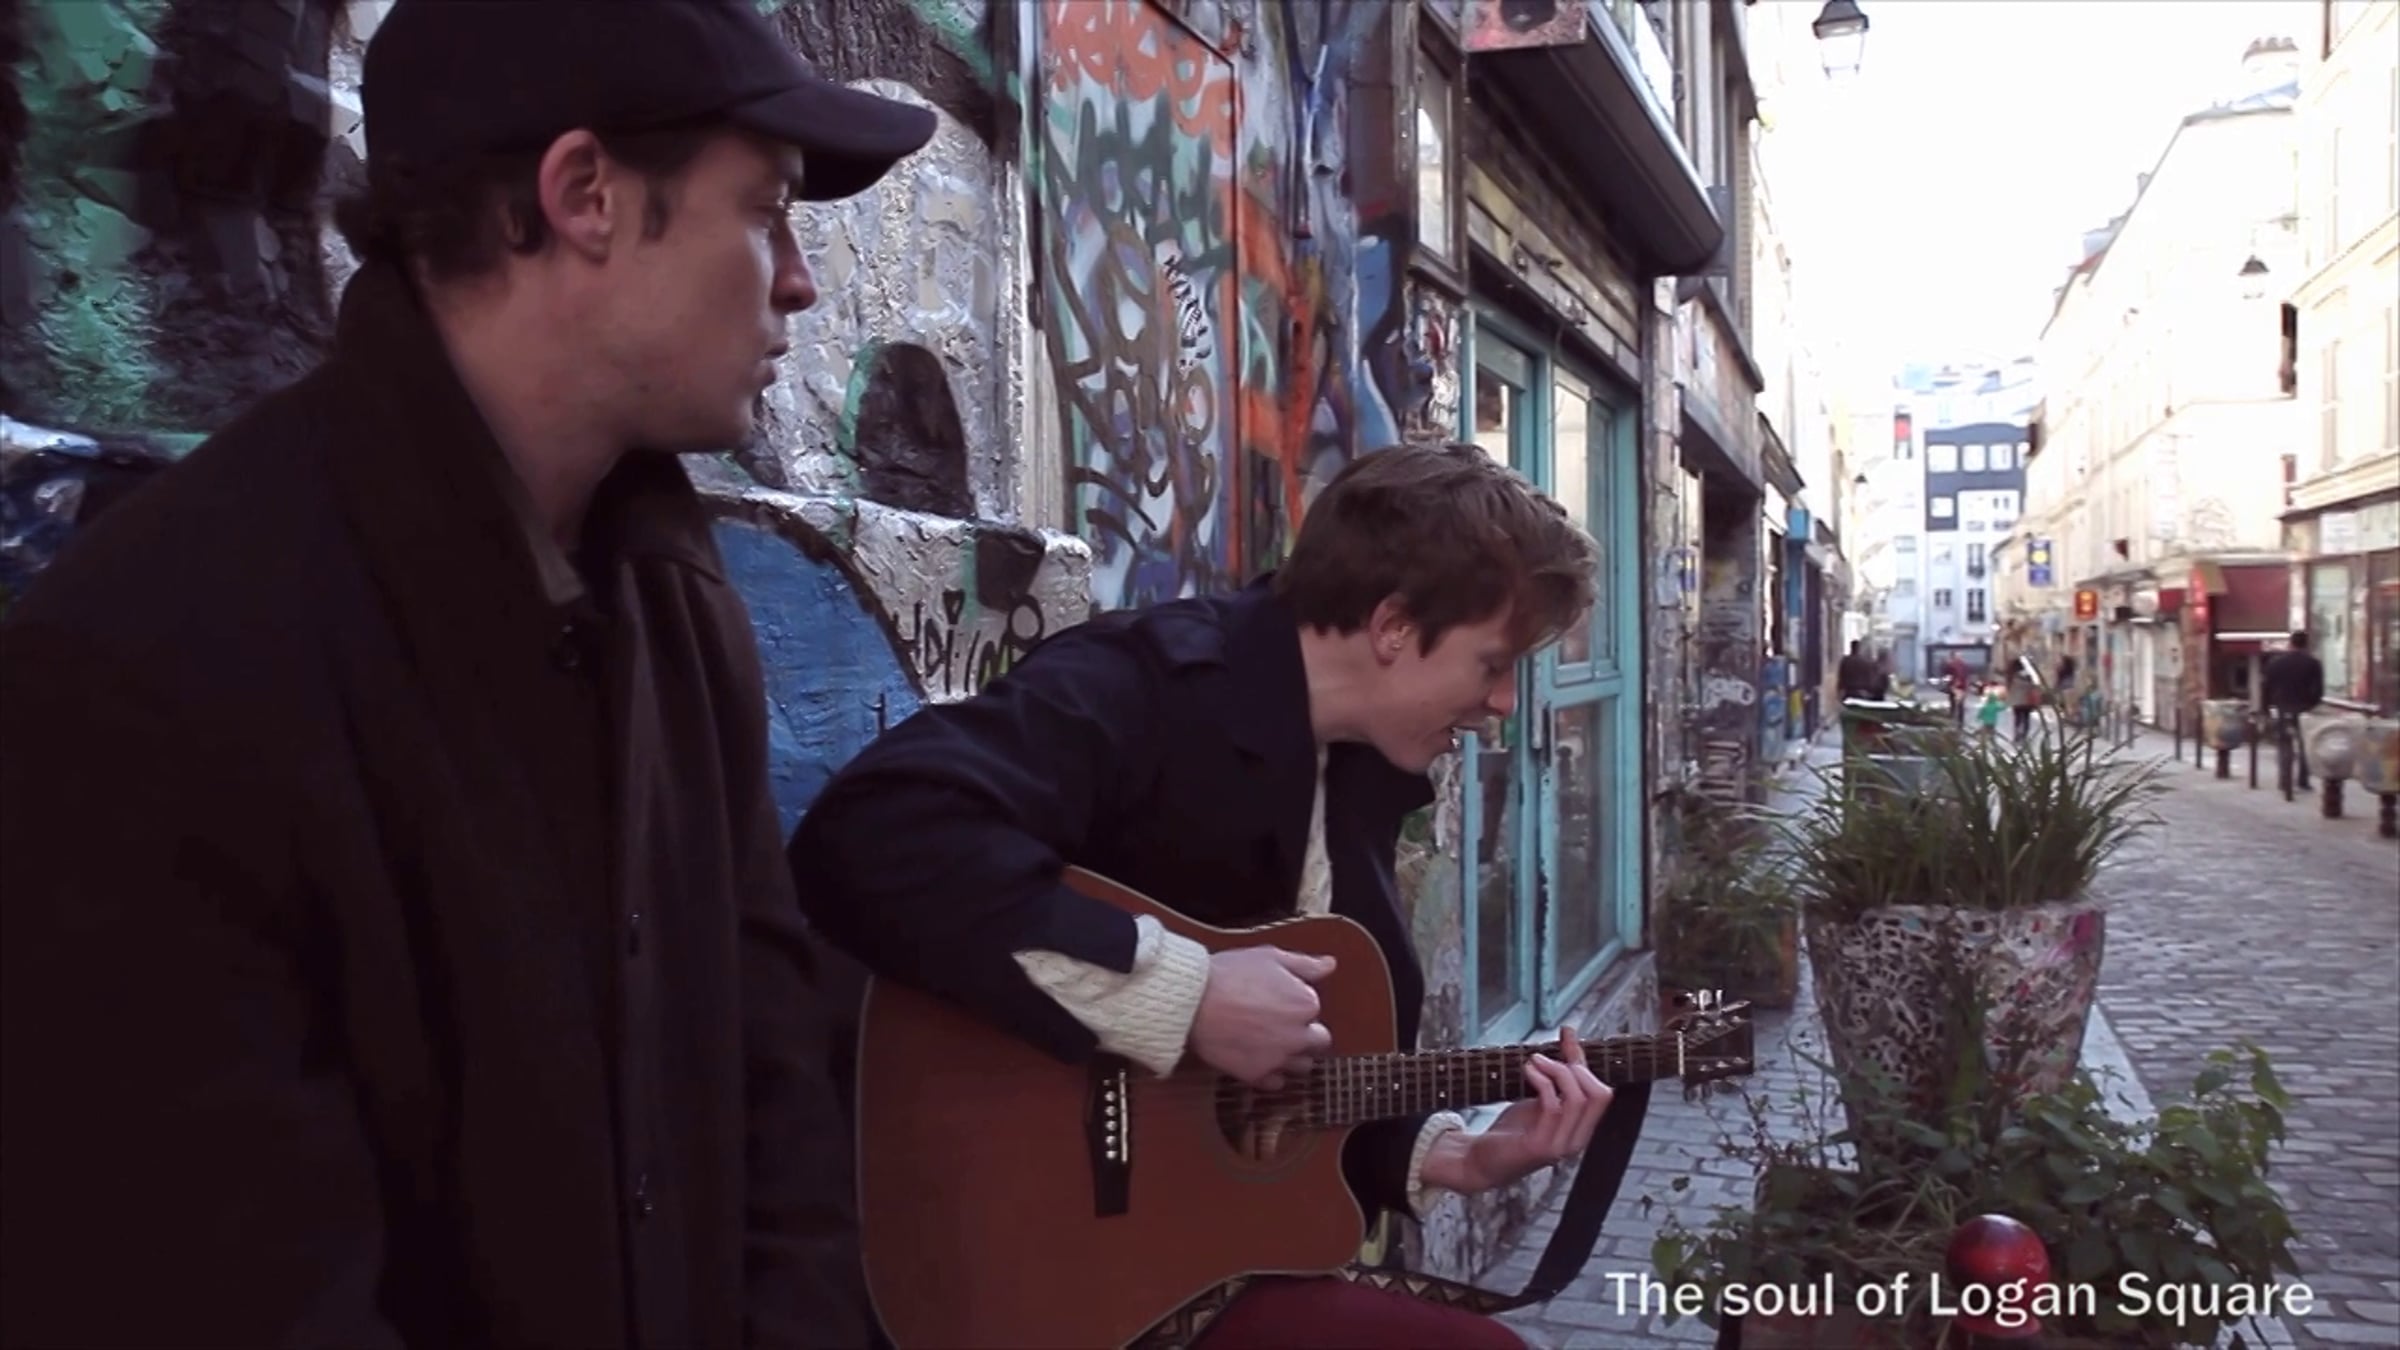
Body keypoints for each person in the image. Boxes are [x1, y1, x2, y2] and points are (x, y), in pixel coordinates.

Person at [0, 2, 936, 1344]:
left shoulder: (674, 603)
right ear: (584, 195)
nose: (798, 281)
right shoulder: (152, 664)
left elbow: (774, 1110)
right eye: (766, 209)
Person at [788, 443, 1620, 1348]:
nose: (1503, 705)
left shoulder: (1358, 771)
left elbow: (1285, 1086)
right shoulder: (1148, 683)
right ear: (1392, 626)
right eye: (1493, 663)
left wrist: (1457, 1154)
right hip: (1009, 1258)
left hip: (1174, 1273)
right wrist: (1183, 994)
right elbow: (871, 837)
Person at [2261, 630, 2326, 790]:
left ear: (2290, 643)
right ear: (2306, 644)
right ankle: (2303, 780)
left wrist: (2266, 707)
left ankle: (2284, 780)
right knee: (2305, 745)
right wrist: (2311, 704)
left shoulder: (2276, 663)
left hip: (2282, 707)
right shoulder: (2313, 663)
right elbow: (2318, 690)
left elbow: (2266, 687)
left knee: (2284, 743)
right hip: (2304, 708)